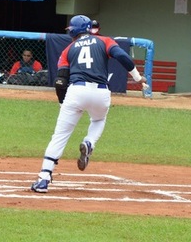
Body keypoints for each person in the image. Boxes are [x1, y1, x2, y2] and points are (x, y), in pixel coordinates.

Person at [31, 15, 147, 193]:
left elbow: (60, 82)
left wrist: (63, 103)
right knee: (98, 120)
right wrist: (138, 78)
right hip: (101, 92)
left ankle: (43, 178)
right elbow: (122, 56)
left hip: (76, 91)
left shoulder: (68, 50)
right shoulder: (104, 41)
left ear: (74, 31)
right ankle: (89, 142)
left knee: (60, 135)